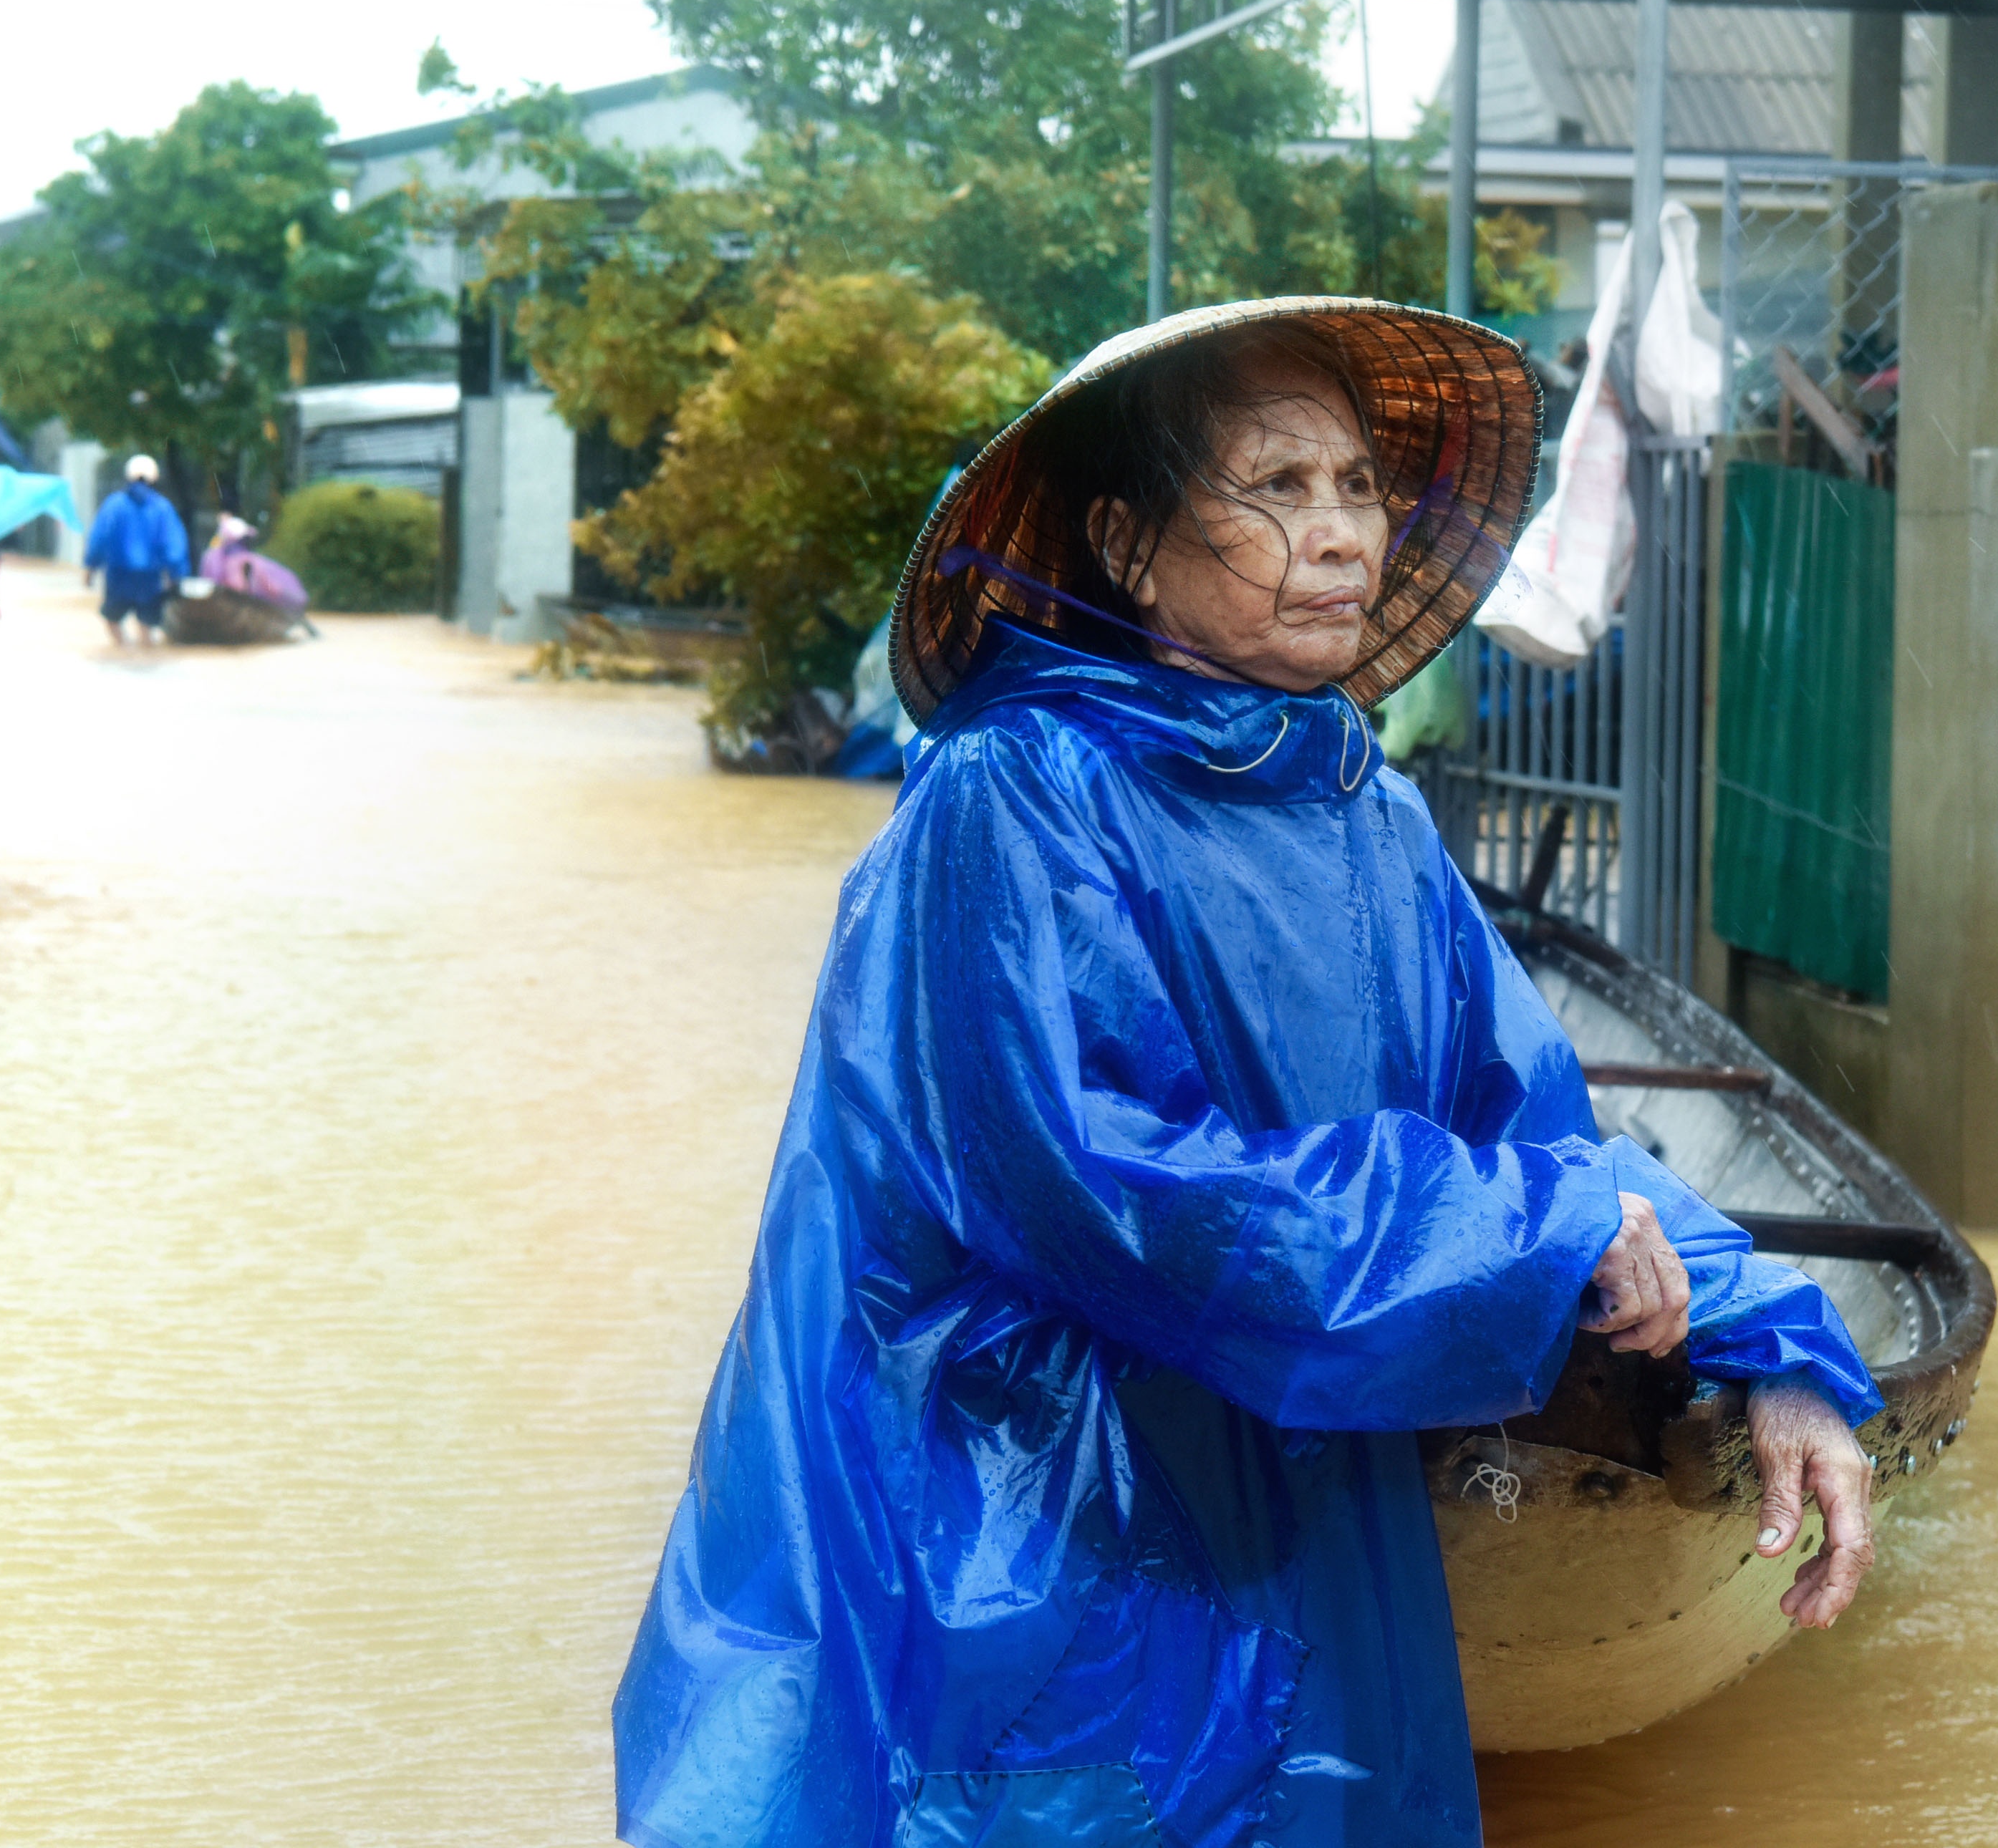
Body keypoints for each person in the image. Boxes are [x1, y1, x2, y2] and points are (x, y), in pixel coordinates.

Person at [615, 301, 1886, 1848]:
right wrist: (1523, 1237)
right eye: (1277, 486)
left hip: (1292, 1518)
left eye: (1357, 483)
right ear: (1127, 542)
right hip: (1035, 1524)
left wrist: (1772, 1335)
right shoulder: (1013, 795)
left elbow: (1533, 1134)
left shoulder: (1369, 811)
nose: (1342, 531)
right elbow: (1098, 1188)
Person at [84, 455, 188, 645]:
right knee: (147, 627)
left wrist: (90, 569)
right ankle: (144, 657)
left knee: (112, 619)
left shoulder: (114, 505)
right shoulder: (162, 508)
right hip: (150, 578)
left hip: (118, 575)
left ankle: (123, 652)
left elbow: (99, 539)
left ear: (128, 477)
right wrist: (176, 575)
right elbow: (174, 547)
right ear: (155, 478)